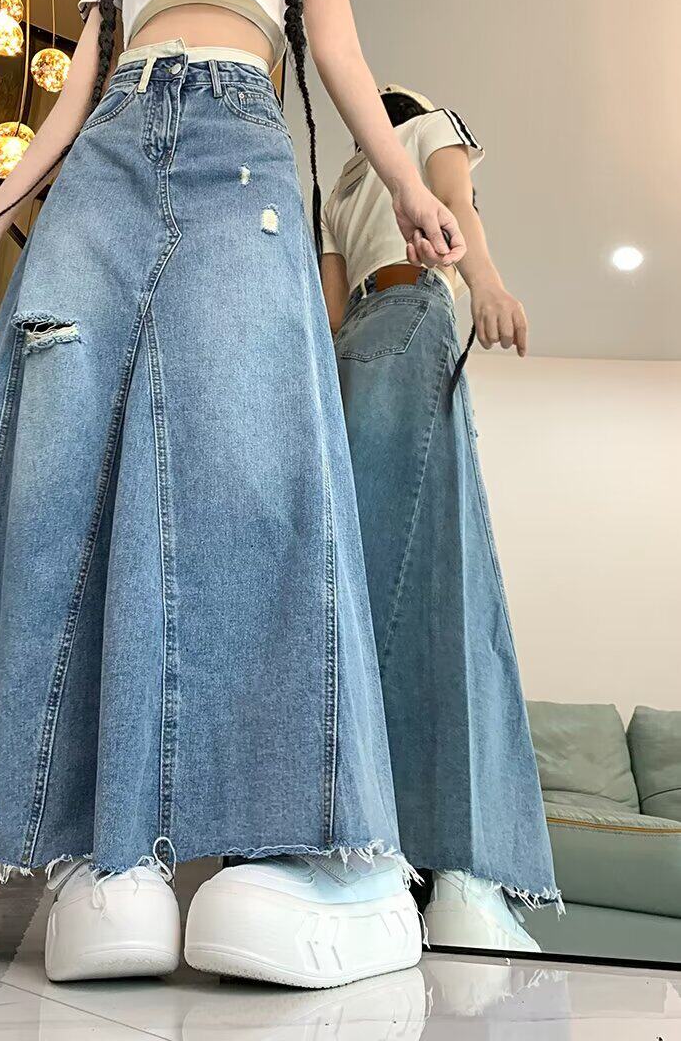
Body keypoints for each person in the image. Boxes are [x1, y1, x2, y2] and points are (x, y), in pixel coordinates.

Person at [0, 0, 466, 989]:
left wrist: (407, 182)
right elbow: (70, 103)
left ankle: (309, 830)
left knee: (250, 458)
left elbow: (343, 64)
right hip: (108, 164)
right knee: (60, 461)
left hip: (241, 156)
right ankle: (99, 848)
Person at [321, 85, 560, 952]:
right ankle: (446, 868)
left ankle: (395, 855)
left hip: (384, 329)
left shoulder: (378, 157)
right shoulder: (382, 155)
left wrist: (484, 284)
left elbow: (334, 312)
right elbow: (450, 216)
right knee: (418, 569)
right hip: (384, 328)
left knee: (377, 571)